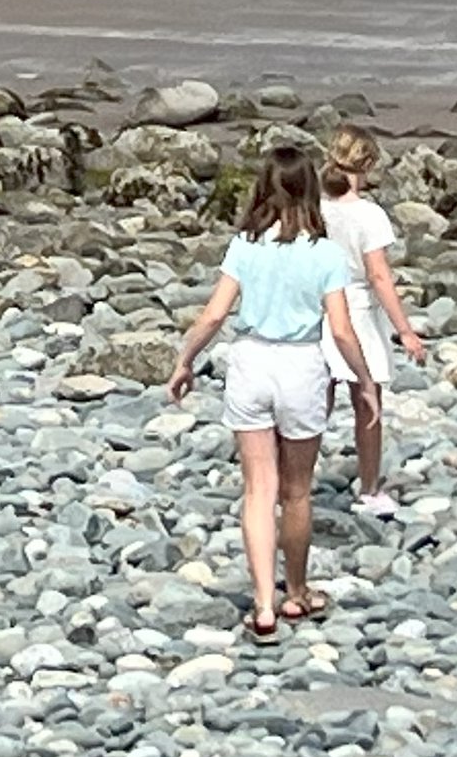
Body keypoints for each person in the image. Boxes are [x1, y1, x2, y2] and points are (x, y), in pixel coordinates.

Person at [166, 138, 378, 641]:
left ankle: (263, 604)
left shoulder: (245, 246)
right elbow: (342, 331)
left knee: (258, 489)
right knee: (297, 490)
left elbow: (214, 314)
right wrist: (365, 381)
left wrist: (185, 359)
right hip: (301, 364)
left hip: (251, 361)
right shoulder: (325, 254)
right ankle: (296, 592)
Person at [319, 125, 427, 502]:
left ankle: (291, 481)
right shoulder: (369, 215)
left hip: (317, 305)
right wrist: (405, 330)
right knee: (367, 401)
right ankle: (368, 488)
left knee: (314, 401)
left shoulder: (314, 209)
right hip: (357, 308)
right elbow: (379, 276)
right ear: (366, 164)